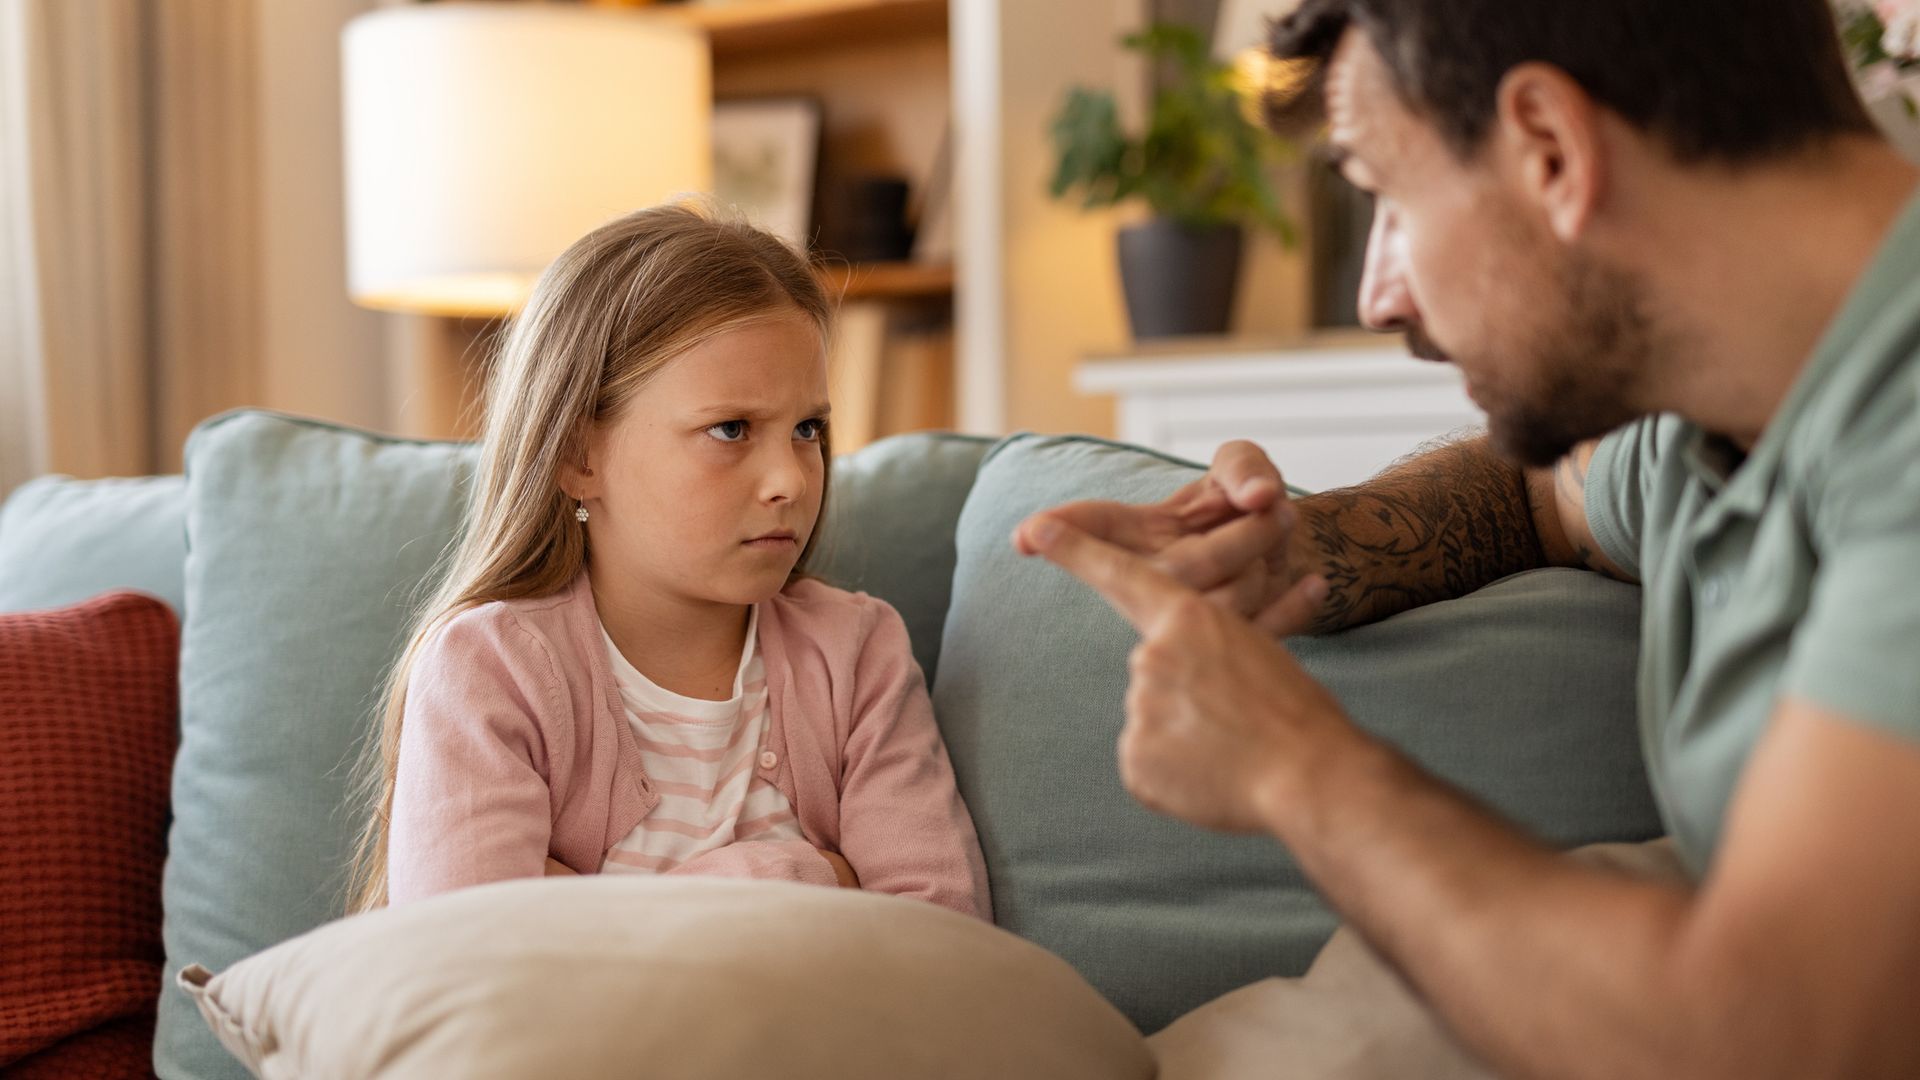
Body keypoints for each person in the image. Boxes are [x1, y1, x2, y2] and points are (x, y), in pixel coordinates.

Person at [1016, 0, 1920, 1074]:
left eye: (1386, 196)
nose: (1377, 296)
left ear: (1551, 148)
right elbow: (1541, 496)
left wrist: (1290, 762)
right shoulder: (1724, 407)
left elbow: (1770, 1037)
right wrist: (1315, 544)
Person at [345, 203, 989, 921]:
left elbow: (945, 931)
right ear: (579, 457)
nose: (791, 479)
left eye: (807, 428)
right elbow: (471, 950)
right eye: (731, 429)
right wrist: (810, 876)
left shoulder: (859, 653)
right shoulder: (490, 669)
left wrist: (582, 903)